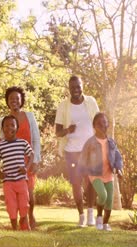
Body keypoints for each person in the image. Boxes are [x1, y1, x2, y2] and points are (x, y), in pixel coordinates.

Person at [55, 75, 99, 227]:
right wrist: (68, 130)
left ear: (82, 86)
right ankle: (81, 215)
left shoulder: (91, 102)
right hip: (72, 152)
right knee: (76, 184)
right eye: (72, 87)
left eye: (78, 86)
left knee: (91, 182)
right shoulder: (63, 106)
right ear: (69, 88)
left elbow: (99, 123)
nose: (75, 89)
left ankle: (90, 214)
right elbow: (58, 133)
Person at [0, 86, 41, 229]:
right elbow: (4, 140)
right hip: (13, 161)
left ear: (21, 100)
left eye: (17, 98)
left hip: (27, 160)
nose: (14, 101)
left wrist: (35, 160)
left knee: (29, 191)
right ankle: (20, 222)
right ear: (7, 101)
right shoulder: (3, 120)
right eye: (11, 99)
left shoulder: (29, 116)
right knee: (15, 193)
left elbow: (35, 139)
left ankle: (30, 216)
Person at [79, 112, 123, 231]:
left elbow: (118, 156)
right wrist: (82, 172)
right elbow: (83, 157)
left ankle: (105, 224)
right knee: (102, 195)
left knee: (109, 200)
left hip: (108, 174)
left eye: (104, 122)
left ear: (107, 125)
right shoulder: (90, 142)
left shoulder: (111, 142)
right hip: (94, 173)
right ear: (94, 126)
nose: (102, 125)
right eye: (99, 123)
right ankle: (98, 217)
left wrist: (119, 168)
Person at [0, 115, 34, 231]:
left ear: (17, 128)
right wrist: (0, 173)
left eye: (12, 125)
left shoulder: (23, 143)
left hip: (21, 180)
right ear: (3, 128)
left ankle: (24, 224)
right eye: (6, 125)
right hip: (8, 182)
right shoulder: (0, 146)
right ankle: (14, 228)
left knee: (24, 204)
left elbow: (31, 155)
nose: (9, 127)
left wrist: (26, 167)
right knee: (11, 206)